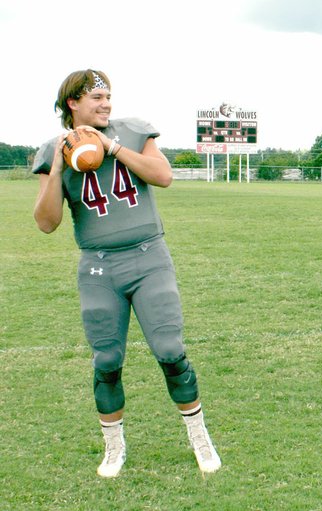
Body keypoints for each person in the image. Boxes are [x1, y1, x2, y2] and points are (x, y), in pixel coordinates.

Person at [32, 69, 221, 477]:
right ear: (73, 103)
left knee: (170, 350)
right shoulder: (52, 148)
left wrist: (112, 147)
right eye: (96, 97)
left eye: (108, 96)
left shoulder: (133, 132)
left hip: (148, 256)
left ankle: (199, 437)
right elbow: (46, 223)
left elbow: (164, 176)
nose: (106, 104)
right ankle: (114, 447)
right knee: (107, 360)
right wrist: (57, 169)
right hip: (99, 266)